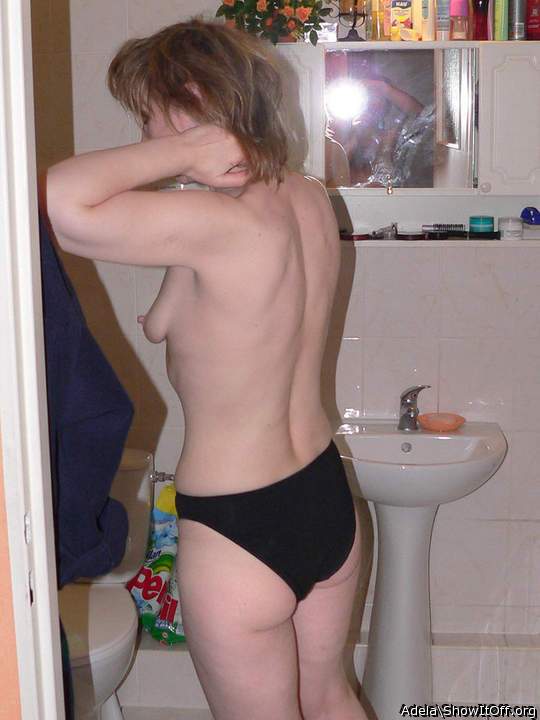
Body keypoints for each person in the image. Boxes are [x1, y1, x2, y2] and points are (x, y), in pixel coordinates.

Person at [44, 19, 367, 720]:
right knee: (330, 697)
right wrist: (195, 165)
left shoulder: (212, 228)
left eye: (149, 117)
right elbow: (180, 316)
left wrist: (187, 148)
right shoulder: (307, 197)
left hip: (236, 526)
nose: (144, 137)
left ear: (192, 102)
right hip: (323, 496)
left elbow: (56, 203)